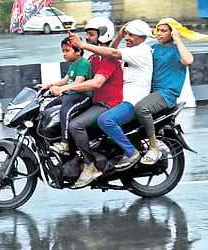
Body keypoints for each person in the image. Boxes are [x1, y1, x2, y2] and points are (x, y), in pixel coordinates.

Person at [51, 17, 123, 188]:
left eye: (91, 35)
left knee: (75, 125)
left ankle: (90, 166)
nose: (87, 39)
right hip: (96, 102)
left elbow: (96, 83)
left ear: (103, 35)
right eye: (87, 35)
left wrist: (66, 89)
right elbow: (73, 79)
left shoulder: (108, 59)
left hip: (108, 104)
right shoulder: (93, 59)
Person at [135, 17, 202, 165]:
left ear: (172, 33)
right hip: (150, 91)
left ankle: (154, 147)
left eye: (163, 31)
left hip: (166, 94)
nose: (159, 33)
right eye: (158, 30)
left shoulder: (177, 49)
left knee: (142, 108)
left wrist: (178, 40)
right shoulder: (155, 48)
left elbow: (188, 61)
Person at [89, 19, 154, 171]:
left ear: (142, 38)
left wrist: (83, 45)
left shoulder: (141, 51)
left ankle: (132, 152)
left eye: (131, 35)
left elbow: (111, 53)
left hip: (133, 100)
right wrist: (118, 38)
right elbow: (110, 57)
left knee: (106, 120)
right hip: (121, 99)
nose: (127, 38)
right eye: (126, 34)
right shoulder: (132, 50)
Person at [37, 37, 92, 155]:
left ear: (78, 51)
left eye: (67, 51)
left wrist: (61, 89)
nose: (64, 54)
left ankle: (65, 143)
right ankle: (49, 138)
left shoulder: (83, 64)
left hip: (82, 96)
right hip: (70, 94)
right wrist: (48, 85)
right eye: (63, 51)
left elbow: (78, 83)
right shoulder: (73, 65)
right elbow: (65, 80)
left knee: (65, 110)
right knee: (48, 108)